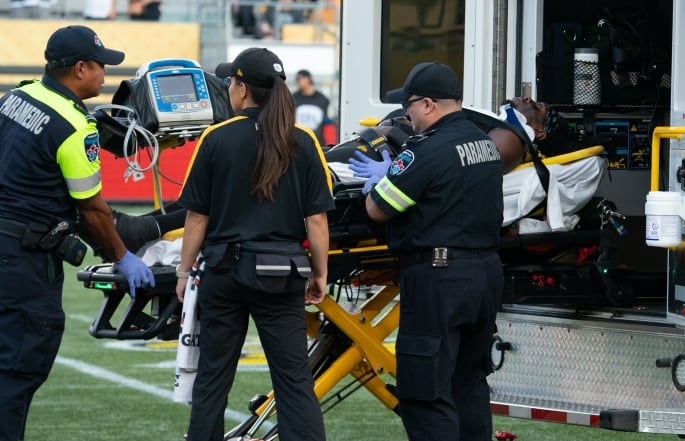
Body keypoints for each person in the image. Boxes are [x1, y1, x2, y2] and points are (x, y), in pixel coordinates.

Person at [0, 25, 155, 441]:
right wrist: (121, 254)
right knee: (17, 371)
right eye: (101, 66)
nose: (105, 75)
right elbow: (91, 209)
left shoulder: (16, 95)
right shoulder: (75, 125)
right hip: (25, 262)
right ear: (81, 67)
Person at [174, 47, 332, 441]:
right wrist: (320, 273)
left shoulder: (217, 137)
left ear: (242, 88)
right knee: (295, 380)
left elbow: (197, 216)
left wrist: (183, 271)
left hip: (225, 272)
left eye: (231, 81)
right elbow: (316, 218)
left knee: (213, 378)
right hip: (283, 272)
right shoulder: (304, 139)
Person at [348, 61, 504, 440]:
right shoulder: (484, 141)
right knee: (467, 385)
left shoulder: (424, 150)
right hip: (484, 274)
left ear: (429, 104)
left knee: (426, 393)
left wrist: (383, 179)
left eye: (411, 106)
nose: (407, 115)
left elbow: (377, 209)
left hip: (439, 279)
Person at [293, 69, 332, 146]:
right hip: (297, 142)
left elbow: (327, 123)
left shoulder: (322, 99)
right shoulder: (293, 98)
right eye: (296, 79)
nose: (297, 81)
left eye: (299, 79)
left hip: (317, 142)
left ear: (308, 79)